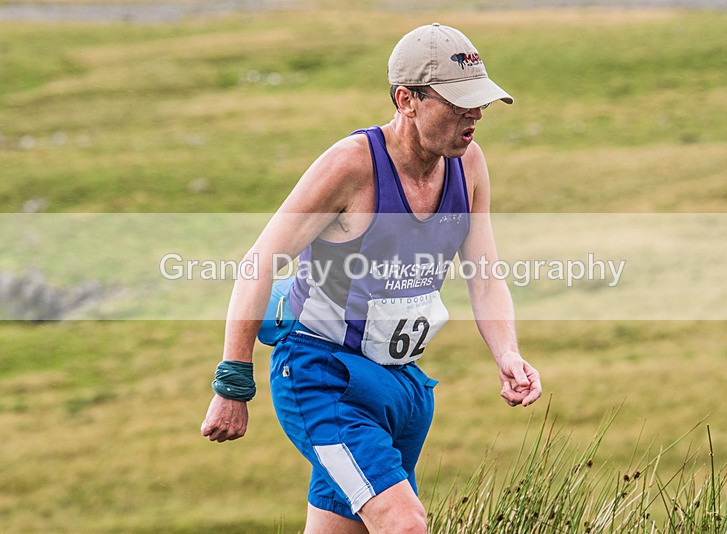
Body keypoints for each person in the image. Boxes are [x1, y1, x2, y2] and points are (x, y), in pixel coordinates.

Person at [201, 23, 542, 534]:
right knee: (403, 523)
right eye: (459, 102)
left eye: (481, 102)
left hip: (403, 387)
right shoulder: (351, 166)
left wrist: (507, 353)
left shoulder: (468, 164)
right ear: (407, 100)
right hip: (323, 376)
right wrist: (233, 382)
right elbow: (259, 262)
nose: (474, 115)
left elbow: (485, 273)